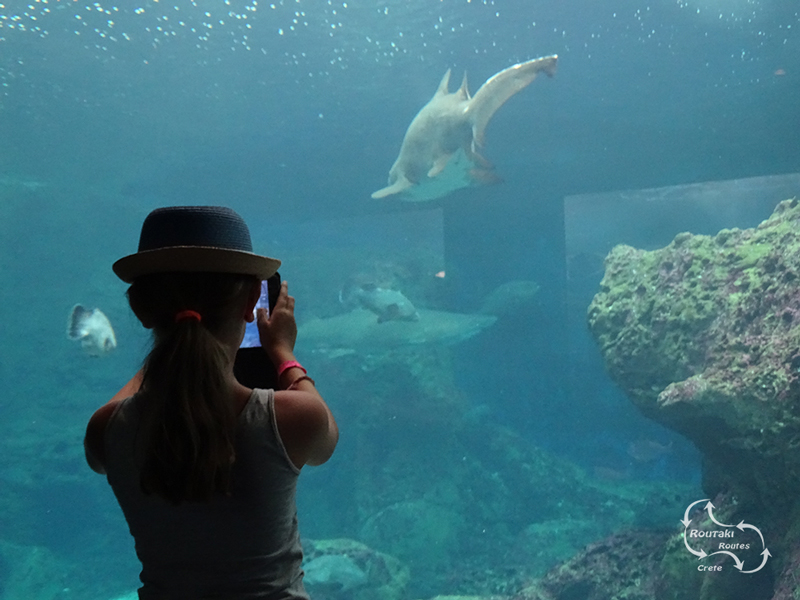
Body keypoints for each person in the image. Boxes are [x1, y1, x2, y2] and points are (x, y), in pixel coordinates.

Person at [84, 206, 338, 599]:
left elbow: (128, 411)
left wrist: (168, 353)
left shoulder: (106, 431)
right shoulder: (293, 418)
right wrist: (283, 354)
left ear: (139, 309)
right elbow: (326, 443)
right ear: (254, 299)